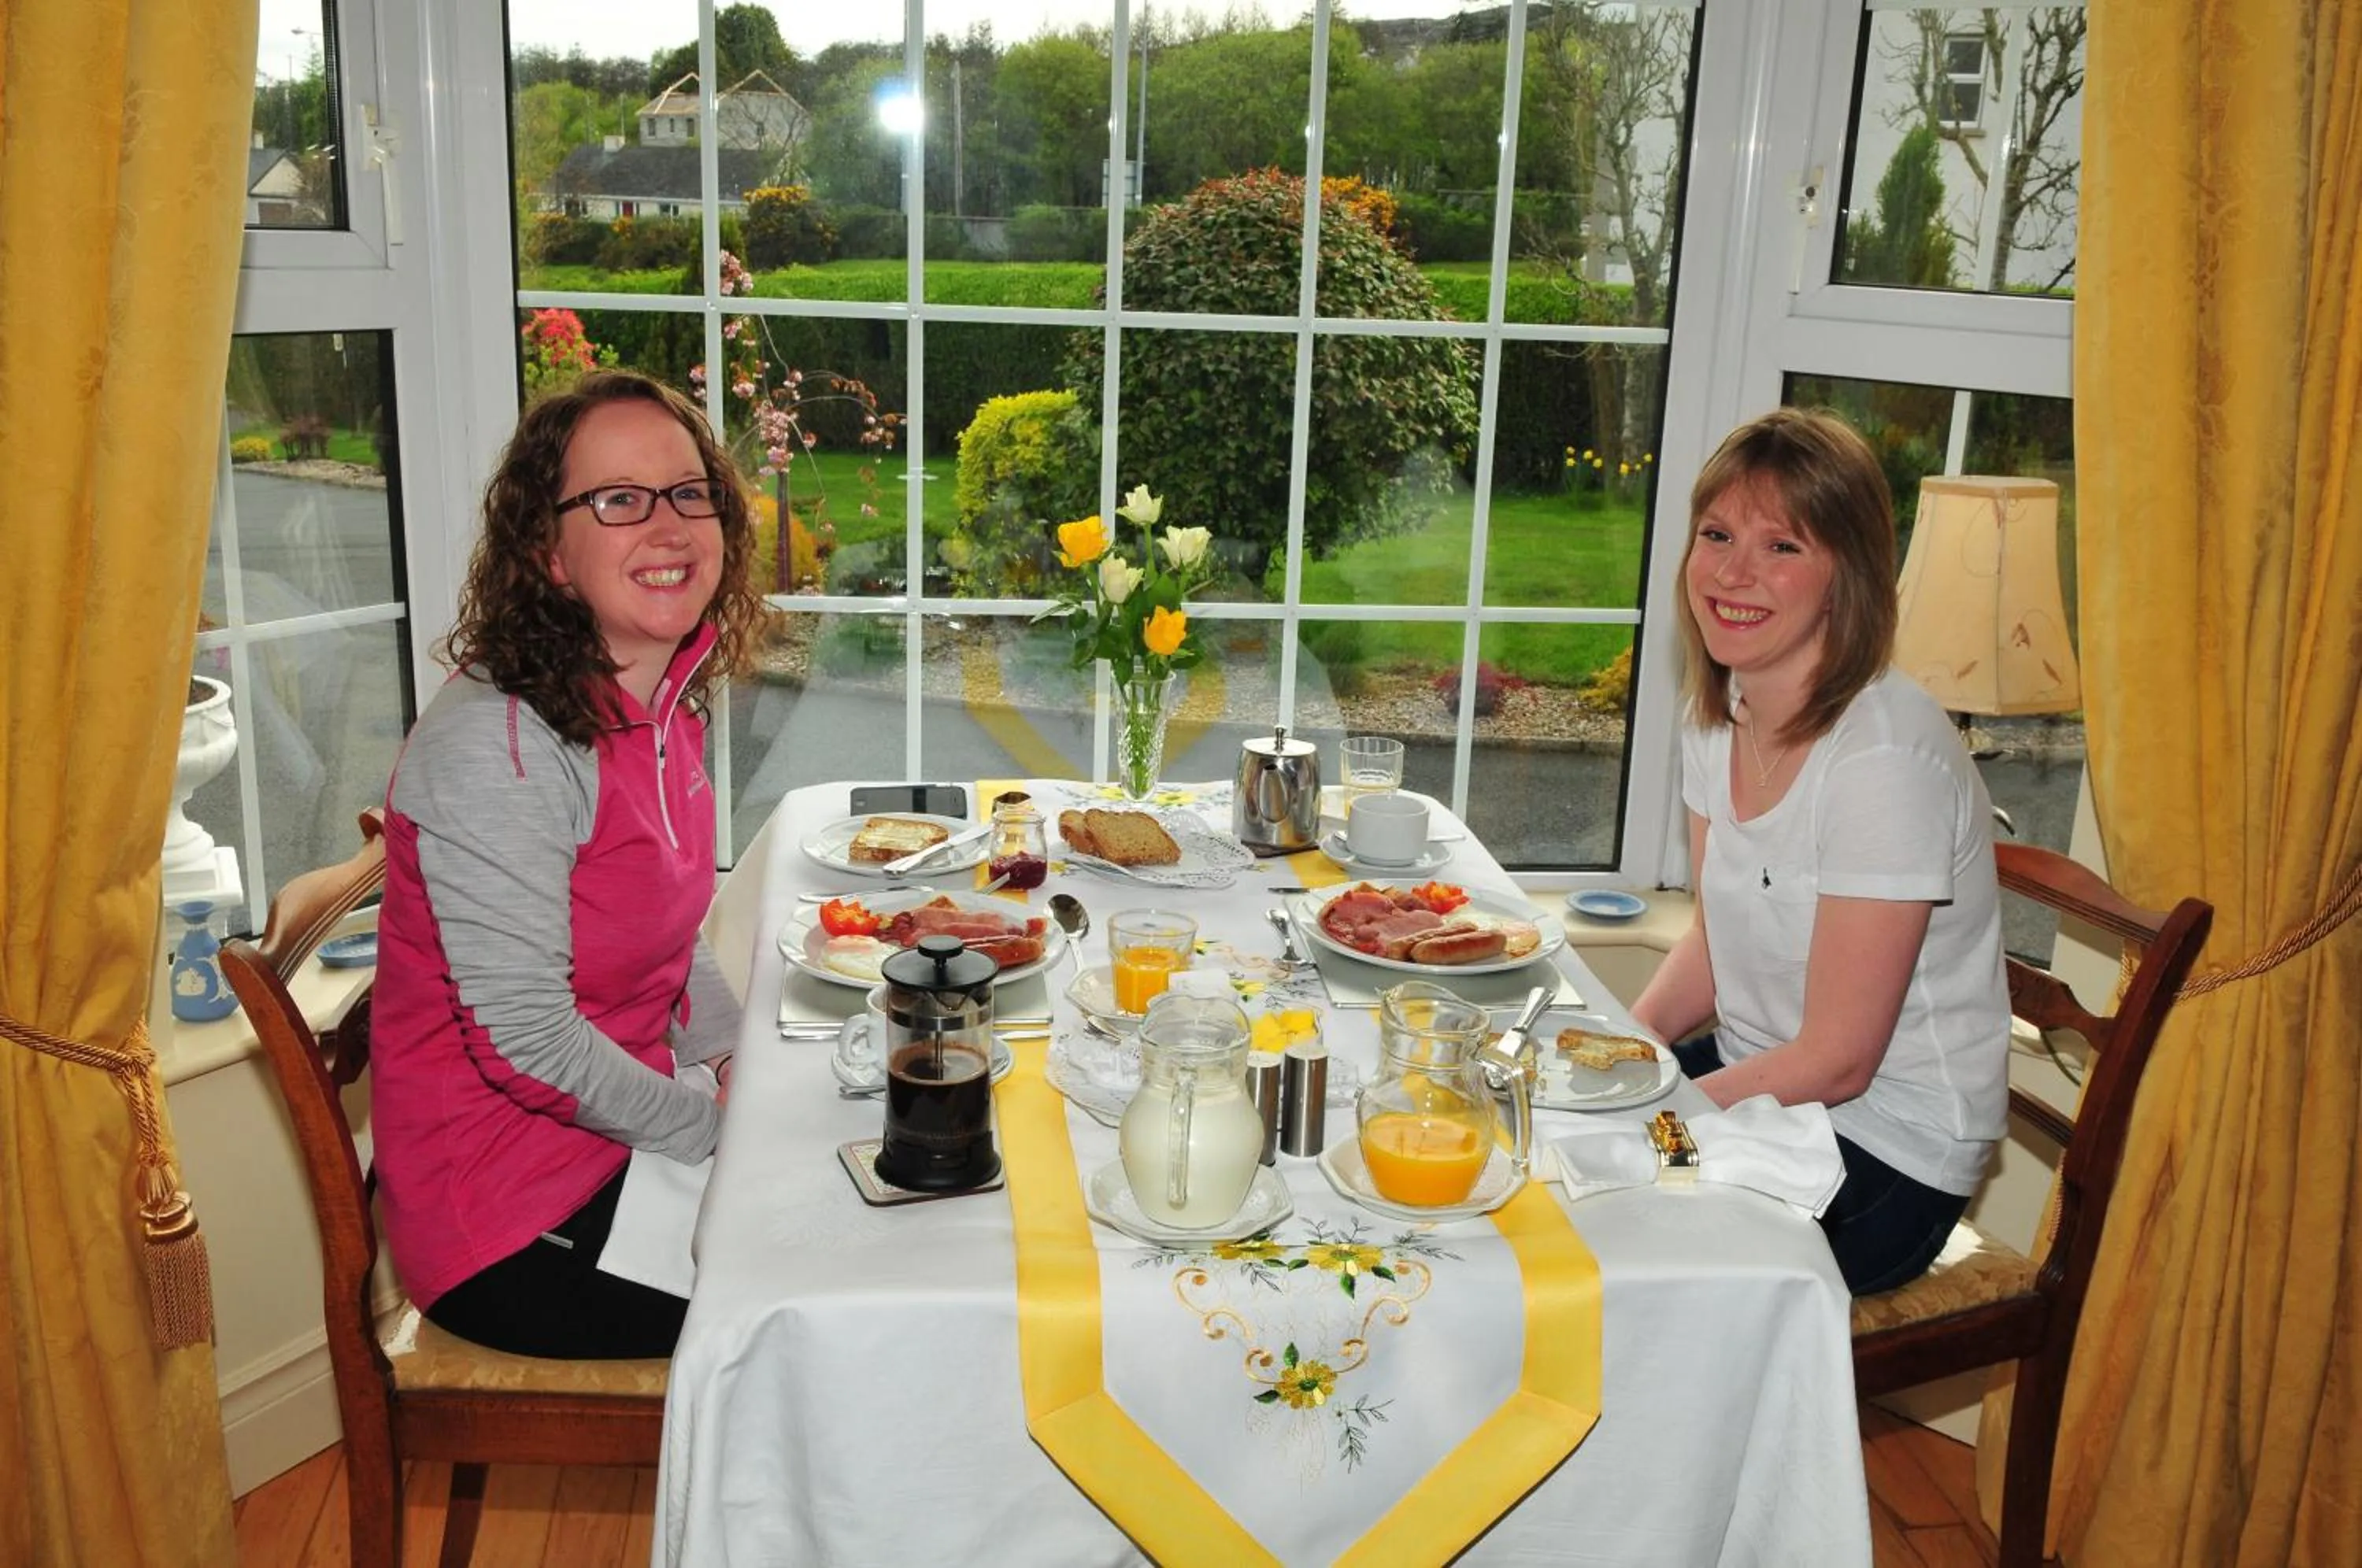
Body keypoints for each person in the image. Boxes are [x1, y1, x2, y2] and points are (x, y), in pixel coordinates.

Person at [372, 371, 767, 1357]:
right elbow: (525, 1043)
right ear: (547, 552)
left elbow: (663, 930)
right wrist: (721, 1130)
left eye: (689, 492)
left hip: (621, 1137)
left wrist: (734, 1059)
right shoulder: (499, 746)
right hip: (509, 1218)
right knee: (838, 1306)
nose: (668, 527)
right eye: (619, 500)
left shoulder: (655, 702)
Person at [1629, 408, 2010, 1296]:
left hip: (1888, 1149)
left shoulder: (1884, 760)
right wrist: (1622, 1050)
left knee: (1634, 1251)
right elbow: (1716, 941)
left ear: (1847, 576)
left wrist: (1655, 1113)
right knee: (1545, 1162)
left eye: (1782, 547)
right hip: (1763, 1086)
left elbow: (1841, 1058)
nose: (1733, 573)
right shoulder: (1719, 712)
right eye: (1718, 535)